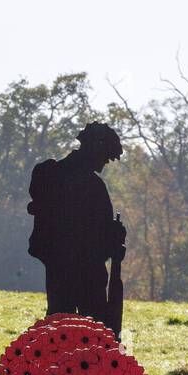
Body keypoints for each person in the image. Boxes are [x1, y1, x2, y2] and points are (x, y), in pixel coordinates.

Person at [26, 122, 126, 331]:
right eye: (105, 157)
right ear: (94, 149)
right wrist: (113, 238)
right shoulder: (81, 182)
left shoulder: (50, 174)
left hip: (66, 267)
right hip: (82, 270)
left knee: (62, 323)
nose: (105, 163)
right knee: (86, 327)